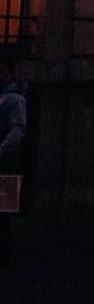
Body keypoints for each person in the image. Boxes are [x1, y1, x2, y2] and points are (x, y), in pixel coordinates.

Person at [0, 60, 28, 268]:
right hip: (6, 160)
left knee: (4, 211)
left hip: (6, 162)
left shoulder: (13, 99)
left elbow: (18, 130)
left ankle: (5, 254)